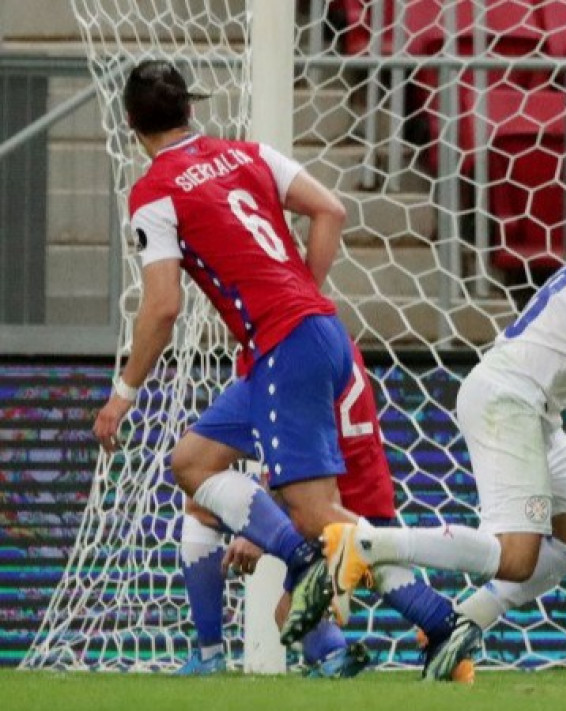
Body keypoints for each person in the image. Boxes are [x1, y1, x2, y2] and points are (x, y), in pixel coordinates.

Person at [288, 193, 566, 680]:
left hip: (524, 397)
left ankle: (464, 622)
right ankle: (363, 545)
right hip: (512, 398)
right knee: (515, 558)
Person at [90, 60, 452, 665]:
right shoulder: (249, 154)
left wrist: (124, 391)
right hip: (309, 335)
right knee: (193, 463)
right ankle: (219, 655)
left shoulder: (154, 193)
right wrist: (302, 294)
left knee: (315, 518)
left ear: (131, 124)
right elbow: (331, 208)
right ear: (191, 110)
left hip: (285, 344)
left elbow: (162, 308)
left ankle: (439, 617)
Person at [175, 345, 455, 678]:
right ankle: (441, 624)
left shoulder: (281, 351)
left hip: (326, 501)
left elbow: (295, 461)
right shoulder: (333, 338)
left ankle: (211, 656)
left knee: (199, 503)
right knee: (362, 562)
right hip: (371, 494)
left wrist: (256, 533)